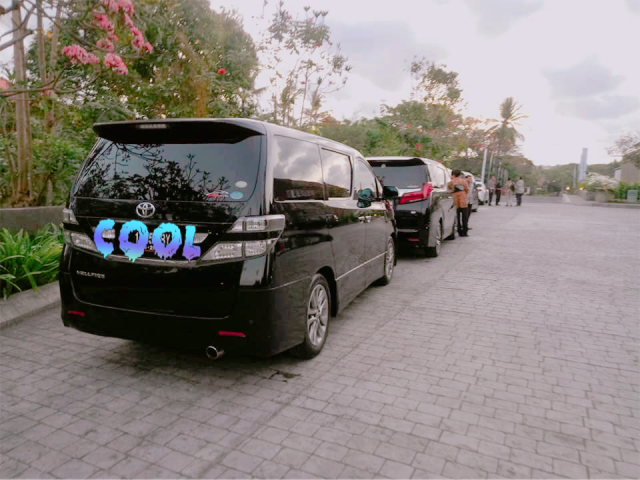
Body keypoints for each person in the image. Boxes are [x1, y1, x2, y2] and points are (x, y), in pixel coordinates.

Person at [447, 170, 469, 236]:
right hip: (463, 199)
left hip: (455, 199)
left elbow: (449, 189)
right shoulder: (463, 181)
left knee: (457, 216)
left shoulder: (451, 182)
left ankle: (459, 230)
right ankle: (465, 230)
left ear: (453, 175)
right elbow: (467, 189)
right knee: (464, 217)